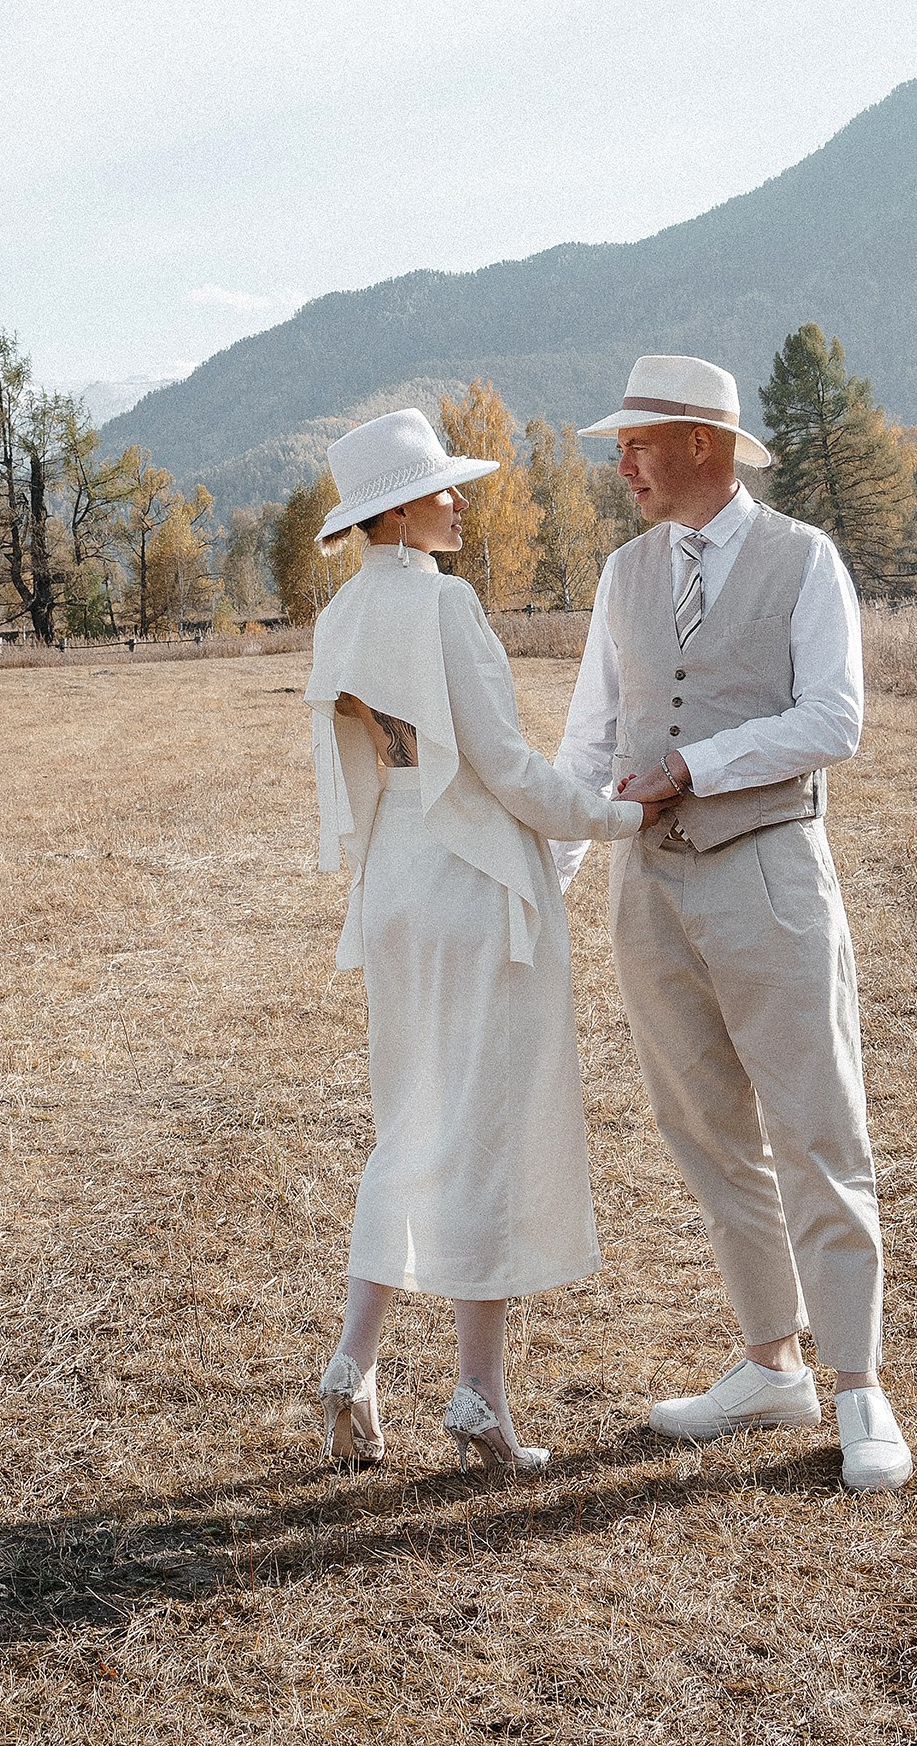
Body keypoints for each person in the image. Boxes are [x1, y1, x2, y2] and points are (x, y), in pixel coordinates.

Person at [554, 352, 912, 1494]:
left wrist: (696, 766)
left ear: (698, 444)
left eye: (637, 445)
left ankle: (857, 1386)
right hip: (648, 894)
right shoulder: (621, 575)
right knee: (706, 1135)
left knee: (818, 1126)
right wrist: (547, 875)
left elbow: (834, 720)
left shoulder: (805, 559)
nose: (623, 467)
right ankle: (770, 1366)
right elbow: (591, 742)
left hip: (768, 873)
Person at [305, 406, 644, 1474]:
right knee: (485, 1128)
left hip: (393, 880)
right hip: (472, 883)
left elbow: (370, 771)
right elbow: (502, 765)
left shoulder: (340, 618)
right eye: (444, 488)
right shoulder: (444, 606)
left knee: (408, 1116)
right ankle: (479, 1396)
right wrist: (619, 813)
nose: (460, 501)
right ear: (398, 508)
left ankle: (354, 1362)